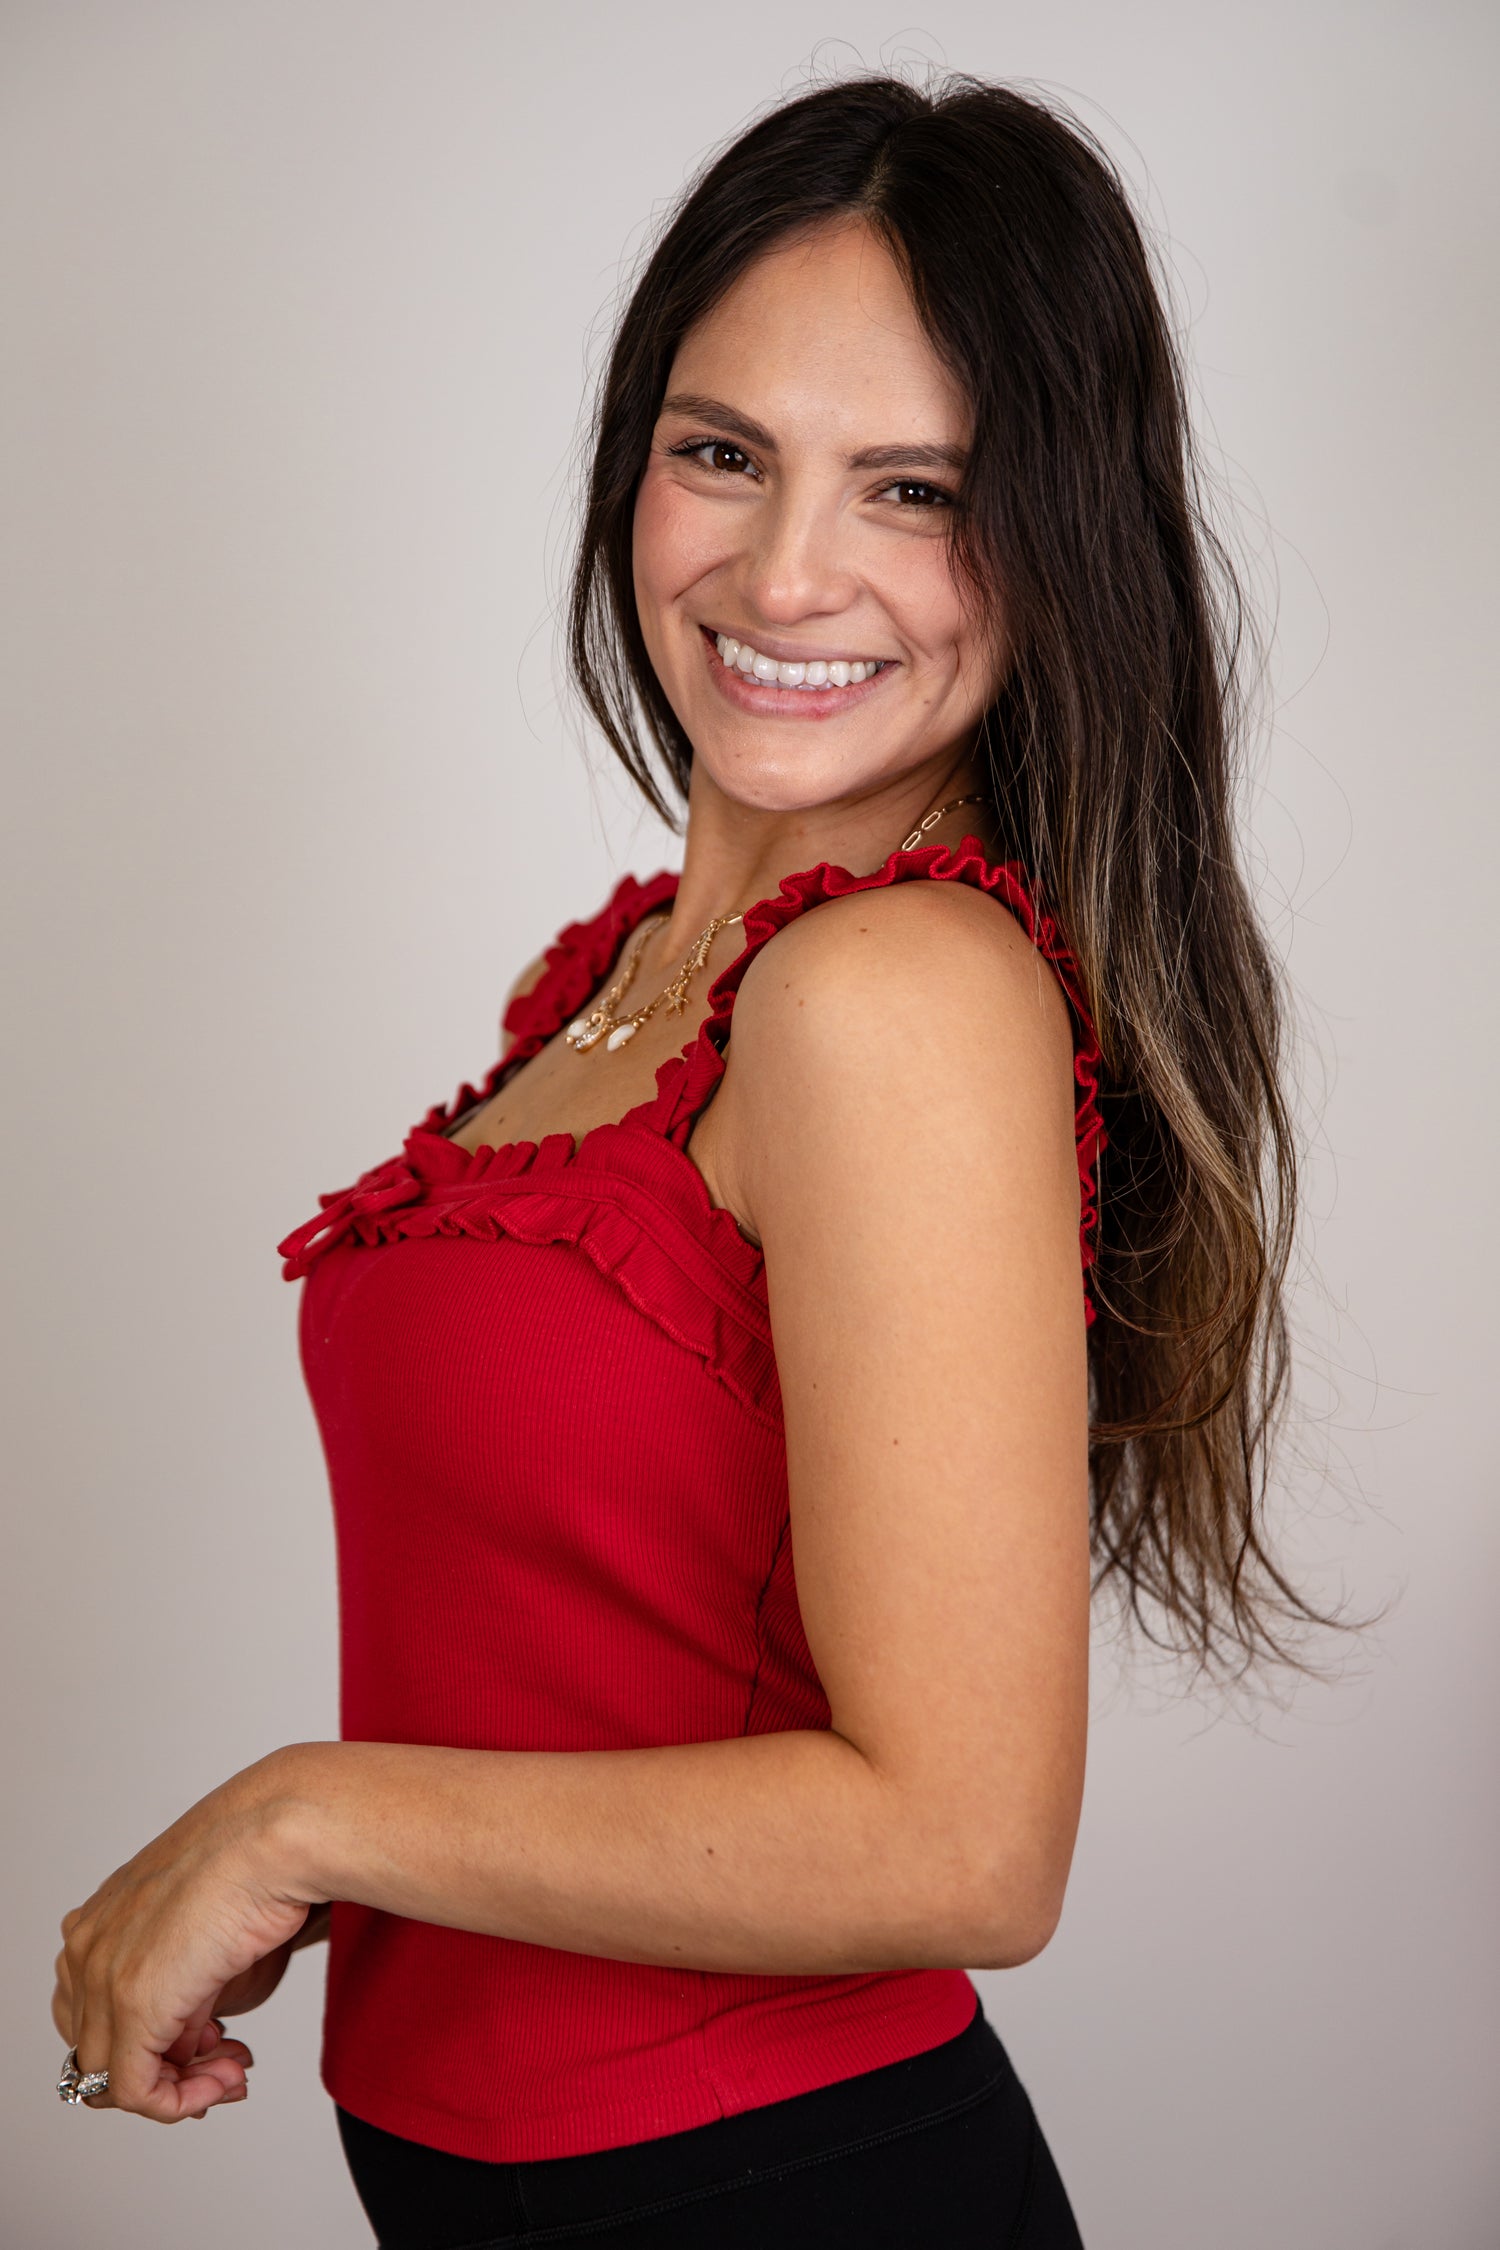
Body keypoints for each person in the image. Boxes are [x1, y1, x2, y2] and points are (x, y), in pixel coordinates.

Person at [51, 72, 1326, 2248]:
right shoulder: (635, 972)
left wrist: (297, 1821)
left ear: (1060, 542)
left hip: (757, 2188)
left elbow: (961, 1847)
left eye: (915, 486)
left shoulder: (889, 1000)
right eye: (721, 451)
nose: (785, 569)